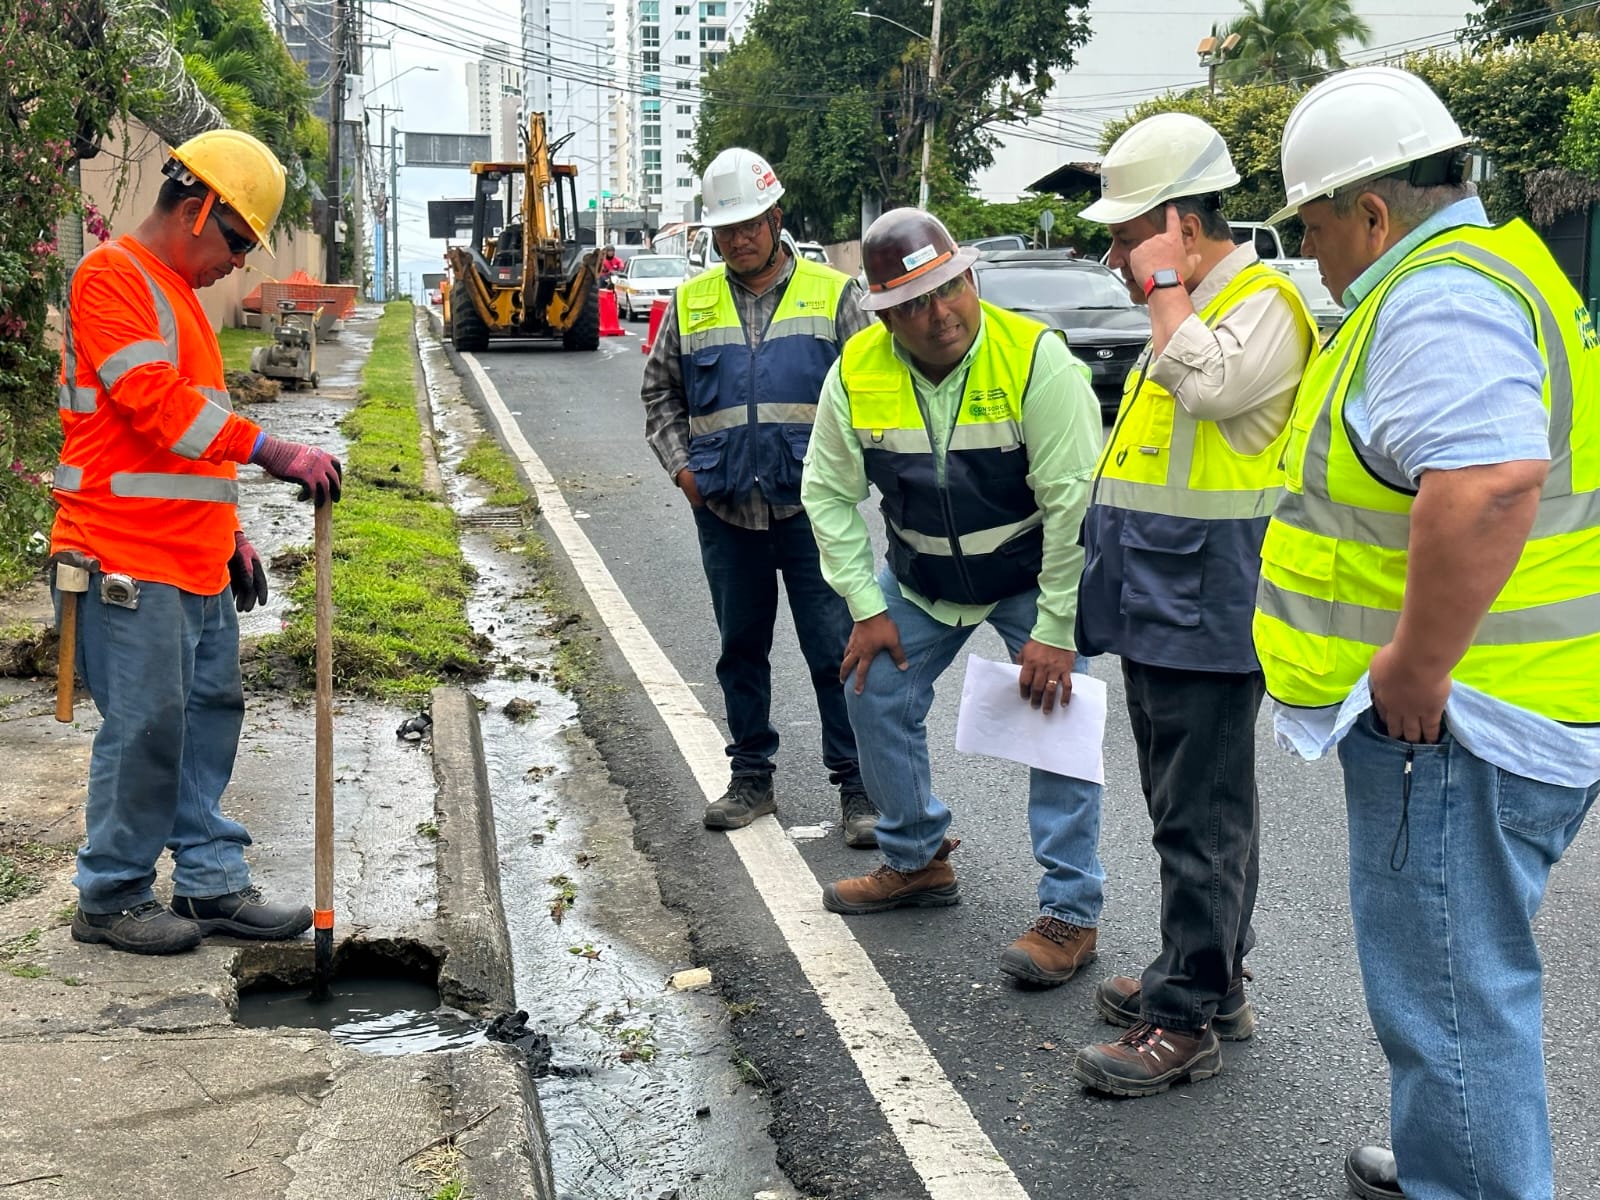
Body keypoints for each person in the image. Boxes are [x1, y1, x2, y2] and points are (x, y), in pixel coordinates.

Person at [1254, 67, 1600, 1200]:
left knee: (1449, 996)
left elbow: (1493, 482)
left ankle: (1471, 1176)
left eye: (1311, 227)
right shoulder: (1494, 272)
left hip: (1463, 720)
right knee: (1462, 984)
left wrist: (1413, 665)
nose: (1309, 254)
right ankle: (1448, 1147)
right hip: (1518, 702)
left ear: (1369, 211)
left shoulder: (1436, 296)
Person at [1068, 113, 1316, 1098]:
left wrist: (1167, 288)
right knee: (1191, 809)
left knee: (1198, 821)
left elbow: (1207, 390)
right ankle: (1209, 980)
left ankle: (1186, 1019)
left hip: (1209, 606)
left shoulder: (1259, 308)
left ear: (1174, 223)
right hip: (1159, 601)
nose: (1117, 261)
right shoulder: (1197, 312)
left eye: (1127, 238)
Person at [52, 129, 344, 956]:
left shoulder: (180, 296)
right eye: (239, 240)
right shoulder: (110, 277)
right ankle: (109, 897)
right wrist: (272, 448)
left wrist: (234, 531)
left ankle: (212, 885)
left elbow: (188, 444)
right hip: (120, 554)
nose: (241, 263)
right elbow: (153, 403)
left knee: (207, 716)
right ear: (196, 208)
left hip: (193, 555)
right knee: (145, 728)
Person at [803, 207, 1107, 982]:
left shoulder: (1038, 362)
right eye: (909, 304)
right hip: (922, 576)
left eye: (947, 290)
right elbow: (827, 494)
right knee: (870, 686)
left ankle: (1069, 913)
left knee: (1056, 715)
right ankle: (915, 857)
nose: (935, 315)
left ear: (970, 278)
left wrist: (1057, 627)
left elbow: (1075, 504)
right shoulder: (856, 372)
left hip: (1028, 573)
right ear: (882, 311)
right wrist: (865, 609)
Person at [641, 147, 880, 846]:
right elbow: (661, 396)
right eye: (726, 228)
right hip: (723, 509)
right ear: (711, 235)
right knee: (739, 648)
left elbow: (870, 395)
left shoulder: (835, 296)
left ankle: (859, 788)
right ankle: (752, 778)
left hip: (814, 515)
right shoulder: (691, 303)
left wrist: (852, 480)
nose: (740, 238)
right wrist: (684, 472)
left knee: (837, 649)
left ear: (776, 218)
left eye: (750, 223)